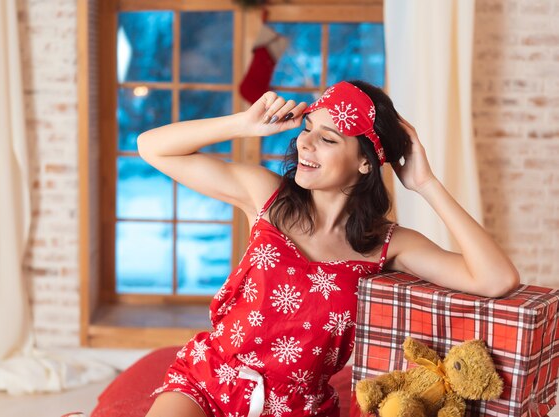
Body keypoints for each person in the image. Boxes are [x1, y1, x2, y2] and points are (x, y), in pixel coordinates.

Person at [137, 80, 519, 417]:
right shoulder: (267, 198)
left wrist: (425, 183)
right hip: (208, 380)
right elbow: (152, 147)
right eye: (308, 128)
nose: (305, 142)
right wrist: (243, 124)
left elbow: (495, 279)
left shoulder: (388, 244)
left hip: (296, 407)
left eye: (328, 138)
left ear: (366, 163)